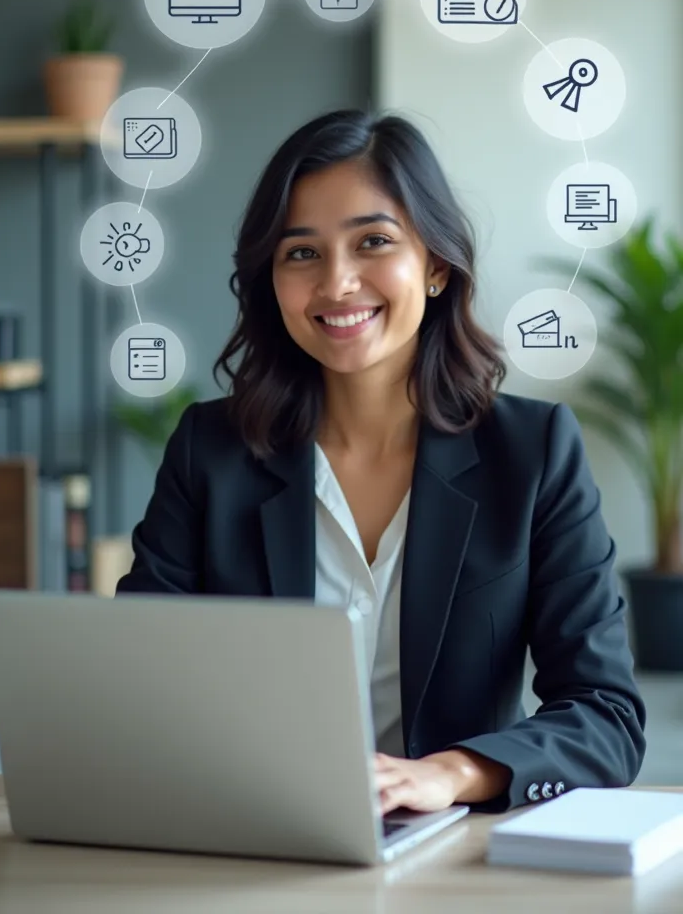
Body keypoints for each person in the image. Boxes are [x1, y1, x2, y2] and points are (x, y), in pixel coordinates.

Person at [116, 108, 646, 816]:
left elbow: (606, 714)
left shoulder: (535, 452)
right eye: (301, 253)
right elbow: (139, 683)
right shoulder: (210, 451)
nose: (337, 283)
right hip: (253, 829)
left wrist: (453, 774)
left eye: (373, 242)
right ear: (271, 281)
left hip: (452, 847)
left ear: (433, 266)